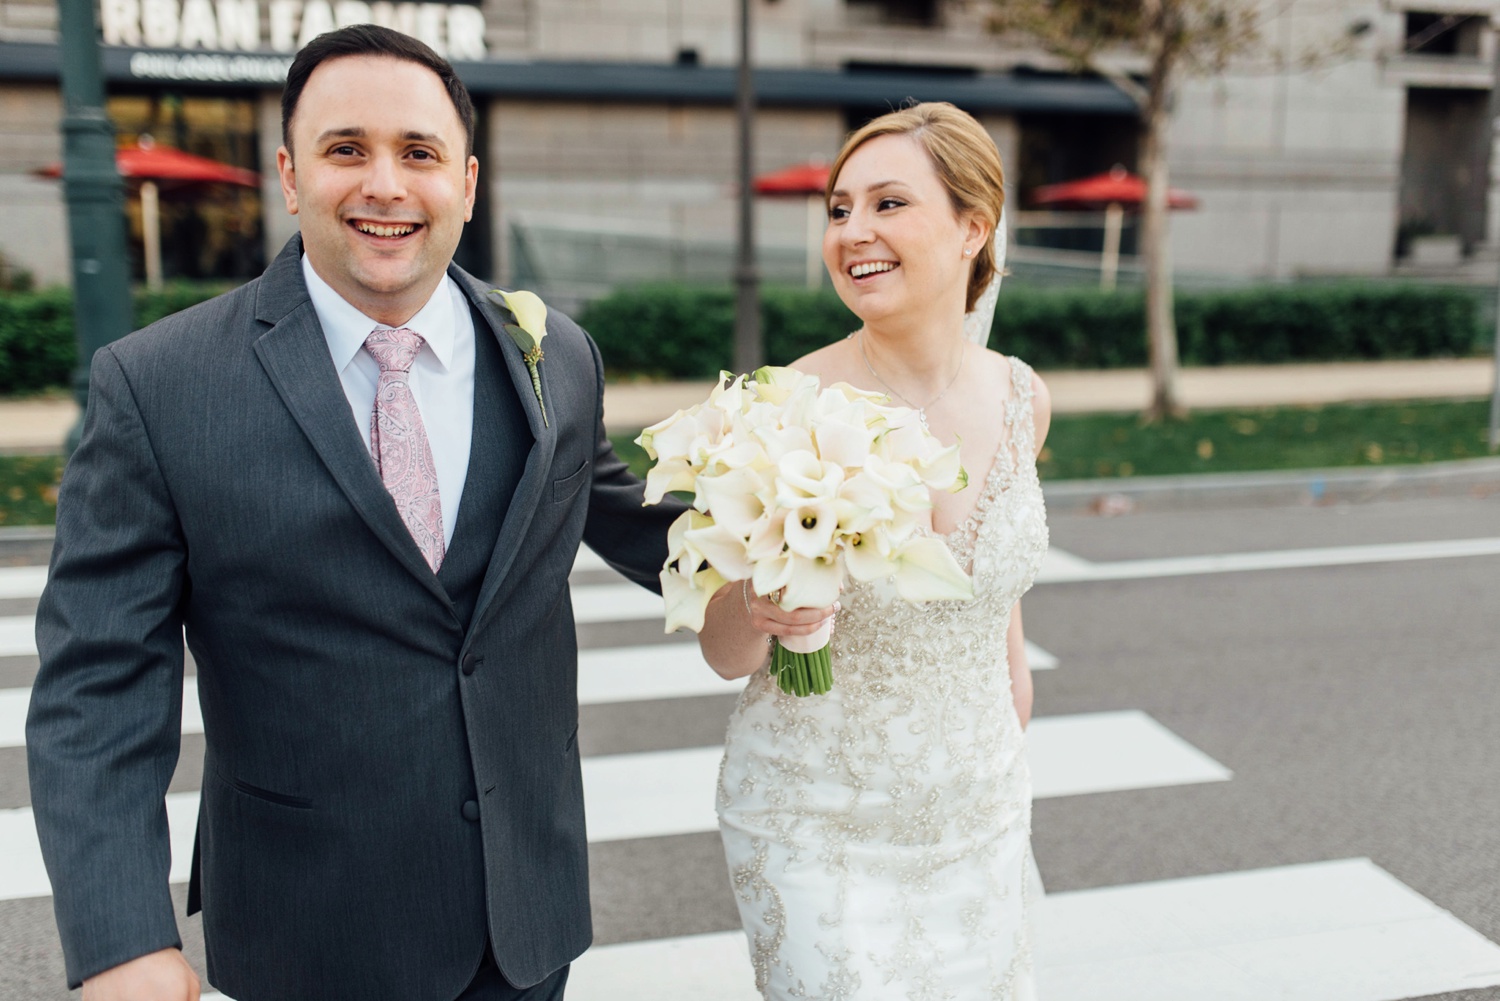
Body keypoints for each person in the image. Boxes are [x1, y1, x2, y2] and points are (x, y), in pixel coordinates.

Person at [26, 25, 680, 1001]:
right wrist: (120, 935)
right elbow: (97, 684)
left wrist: (811, 523)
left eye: (417, 153)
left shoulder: (557, 355)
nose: (385, 183)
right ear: (290, 176)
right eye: (346, 150)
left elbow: (640, 523)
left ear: (465, 181)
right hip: (309, 931)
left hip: (525, 917)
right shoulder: (158, 386)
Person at [697, 102, 1053, 998]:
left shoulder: (1022, 398)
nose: (854, 231)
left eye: (888, 204)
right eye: (840, 208)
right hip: (819, 822)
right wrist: (761, 609)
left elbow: (992, 594)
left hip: (981, 813)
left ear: (974, 226)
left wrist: (1012, 714)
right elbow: (721, 649)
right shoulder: (786, 405)